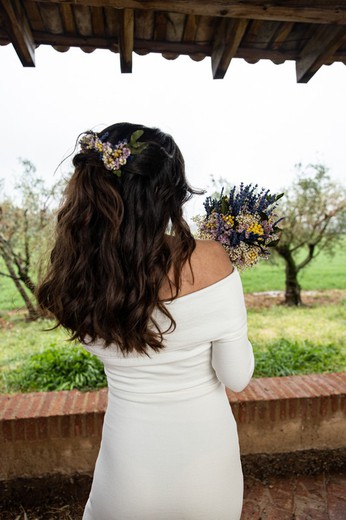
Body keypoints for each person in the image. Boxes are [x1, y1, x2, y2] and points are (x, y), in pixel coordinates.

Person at [37, 123, 254, 520]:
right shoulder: (212, 261)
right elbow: (236, 376)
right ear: (167, 195)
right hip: (206, 466)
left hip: (127, 465)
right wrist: (231, 316)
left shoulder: (80, 276)